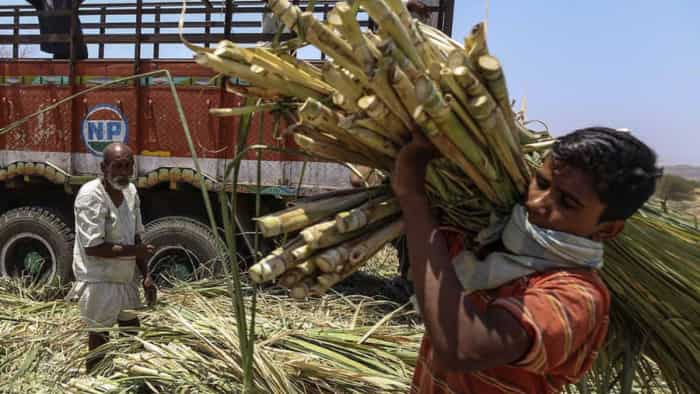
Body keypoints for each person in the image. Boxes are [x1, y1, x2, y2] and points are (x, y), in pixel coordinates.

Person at [391, 127, 661, 393]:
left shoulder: (576, 297)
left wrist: (412, 196)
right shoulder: (487, 238)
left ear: (607, 229)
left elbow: (464, 348)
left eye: (566, 202)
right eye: (541, 183)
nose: (536, 203)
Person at [65, 142, 156, 373]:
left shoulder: (131, 192)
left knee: (131, 333)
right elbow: (93, 248)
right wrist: (136, 252)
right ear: (103, 167)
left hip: (125, 278)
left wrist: (146, 276)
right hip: (99, 281)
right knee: (100, 341)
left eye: (128, 166)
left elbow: (136, 237)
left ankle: (131, 379)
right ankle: (94, 381)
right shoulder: (90, 196)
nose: (123, 173)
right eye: (117, 167)